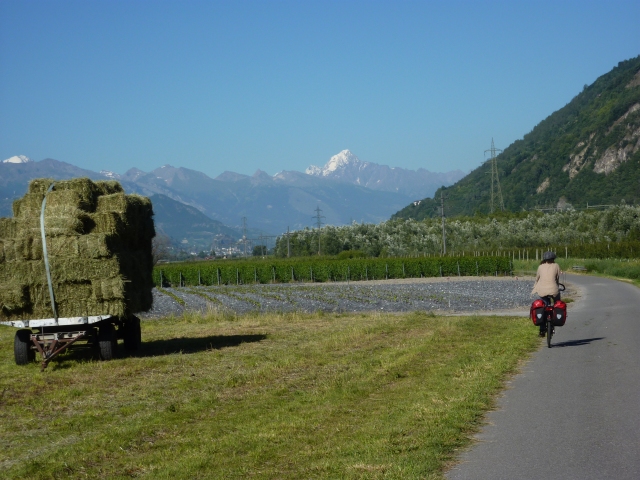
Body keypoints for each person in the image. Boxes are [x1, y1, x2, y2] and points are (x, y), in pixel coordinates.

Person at [531, 251, 561, 337]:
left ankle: (542, 330)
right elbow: (557, 278)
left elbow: (537, 278)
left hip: (542, 291)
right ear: (553, 259)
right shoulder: (556, 266)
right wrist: (556, 286)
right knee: (557, 303)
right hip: (554, 290)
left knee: (543, 307)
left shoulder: (540, 267)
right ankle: (555, 318)